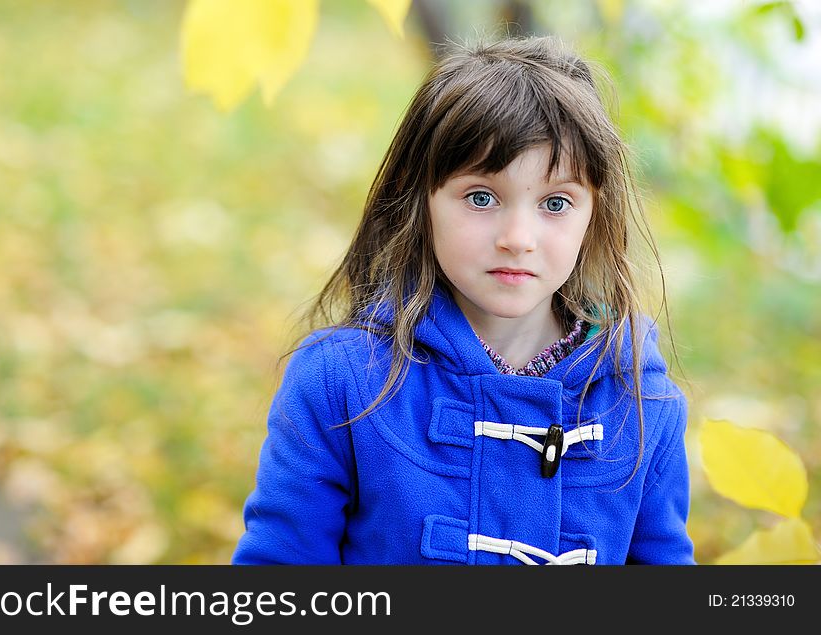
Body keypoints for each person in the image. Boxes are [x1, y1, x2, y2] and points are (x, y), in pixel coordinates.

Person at [232, 35, 694, 565]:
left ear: (594, 214)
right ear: (419, 196)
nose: (518, 237)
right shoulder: (341, 382)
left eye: (556, 202)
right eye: (481, 197)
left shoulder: (641, 401)